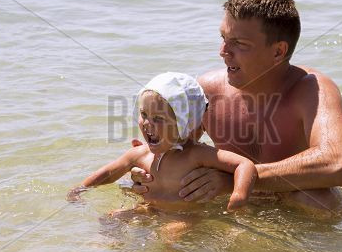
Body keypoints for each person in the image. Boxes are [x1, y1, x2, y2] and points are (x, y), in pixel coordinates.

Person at [129, 0, 342, 213]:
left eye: (239, 43)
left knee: (319, 200)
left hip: (291, 203)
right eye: (223, 38)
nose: (223, 51)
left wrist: (237, 180)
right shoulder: (207, 91)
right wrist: (148, 171)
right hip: (237, 203)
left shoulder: (312, 90)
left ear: (278, 52)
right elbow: (176, 149)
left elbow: (337, 163)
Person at [67, 72, 257, 211]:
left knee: (171, 237)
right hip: (147, 209)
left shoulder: (196, 155)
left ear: (185, 122)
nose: (148, 123)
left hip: (183, 217)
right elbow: (109, 172)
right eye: (143, 114)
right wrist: (81, 189)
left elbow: (244, 164)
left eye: (158, 118)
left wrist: (239, 196)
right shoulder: (140, 154)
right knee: (112, 219)